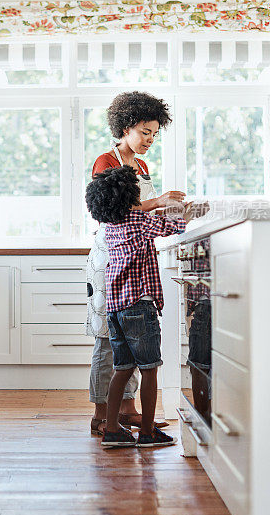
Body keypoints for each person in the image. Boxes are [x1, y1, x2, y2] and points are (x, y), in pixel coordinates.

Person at [86, 92, 186, 436]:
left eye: (155, 134)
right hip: (109, 258)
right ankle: (102, 414)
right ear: (126, 126)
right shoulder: (106, 161)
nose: (150, 140)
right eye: (145, 132)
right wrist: (158, 203)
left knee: (125, 341)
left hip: (132, 254)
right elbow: (115, 211)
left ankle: (126, 412)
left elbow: (139, 212)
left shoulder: (142, 166)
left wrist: (164, 207)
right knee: (107, 337)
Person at [85, 166, 206, 447]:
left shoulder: (110, 227)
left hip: (115, 310)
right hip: (139, 307)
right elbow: (173, 226)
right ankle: (149, 432)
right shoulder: (139, 222)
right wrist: (190, 210)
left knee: (122, 368)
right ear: (129, 197)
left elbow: (155, 221)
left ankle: (112, 429)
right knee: (150, 369)